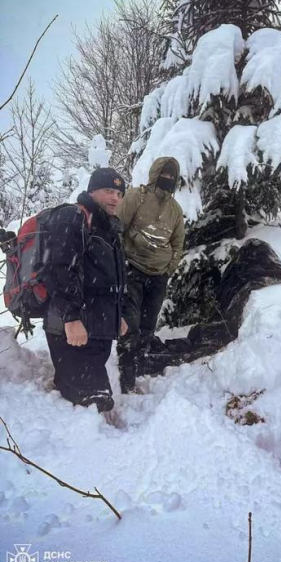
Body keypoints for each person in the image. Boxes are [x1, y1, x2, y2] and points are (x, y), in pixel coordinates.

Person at [44, 167, 128, 412]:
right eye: (108, 191)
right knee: (94, 403)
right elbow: (60, 270)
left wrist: (117, 315)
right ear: (92, 191)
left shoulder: (108, 229)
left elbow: (109, 280)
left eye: (120, 194)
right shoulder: (74, 217)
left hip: (96, 330)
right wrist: (70, 318)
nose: (115, 198)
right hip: (72, 331)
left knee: (98, 399)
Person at [116, 156, 185, 393]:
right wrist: (119, 262)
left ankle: (139, 364)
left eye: (172, 176)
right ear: (155, 174)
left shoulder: (175, 210)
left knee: (148, 325)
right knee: (130, 324)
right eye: (164, 174)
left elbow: (178, 243)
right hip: (132, 269)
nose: (168, 179)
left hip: (158, 276)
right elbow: (118, 227)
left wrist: (169, 268)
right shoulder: (136, 196)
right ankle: (124, 372)